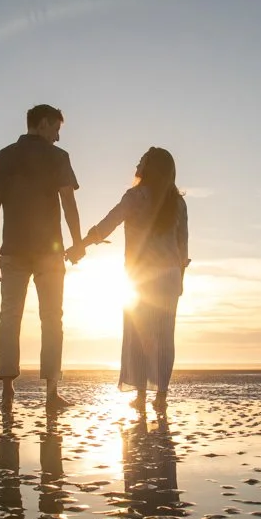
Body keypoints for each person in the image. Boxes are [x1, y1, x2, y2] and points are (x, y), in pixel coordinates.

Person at [0, 104, 85, 412]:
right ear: (43, 124)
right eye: (56, 129)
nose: (57, 136)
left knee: (10, 317)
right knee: (52, 319)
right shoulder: (58, 157)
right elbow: (68, 201)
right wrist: (77, 242)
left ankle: (7, 391)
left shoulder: (1, 157)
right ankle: (52, 392)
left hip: (12, 250)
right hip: (48, 251)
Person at [72, 147, 188, 411]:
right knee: (164, 335)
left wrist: (81, 244)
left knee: (138, 333)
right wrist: (181, 279)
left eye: (142, 159)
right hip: (169, 276)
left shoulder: (135, 197)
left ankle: (142, 397)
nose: (138, 162)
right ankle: (161, 397)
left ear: (150, 167)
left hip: (140, 277)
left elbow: (106, 225)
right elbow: (183, 247)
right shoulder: (177, 202)